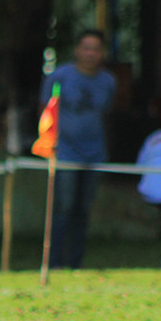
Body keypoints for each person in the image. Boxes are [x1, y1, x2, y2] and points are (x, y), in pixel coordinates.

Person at [38, 29, 116, 269]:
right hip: (65, 154)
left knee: (83, 210)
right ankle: (54, 263)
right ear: (77, 50)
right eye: (86, 47)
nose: (90, 53)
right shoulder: (59, 77)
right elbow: (45, 111)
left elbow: (108, 117)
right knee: (63, 209)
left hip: (95, 155)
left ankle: (75, 263)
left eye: (96, 48)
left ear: (102, 53)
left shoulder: (108, 81)